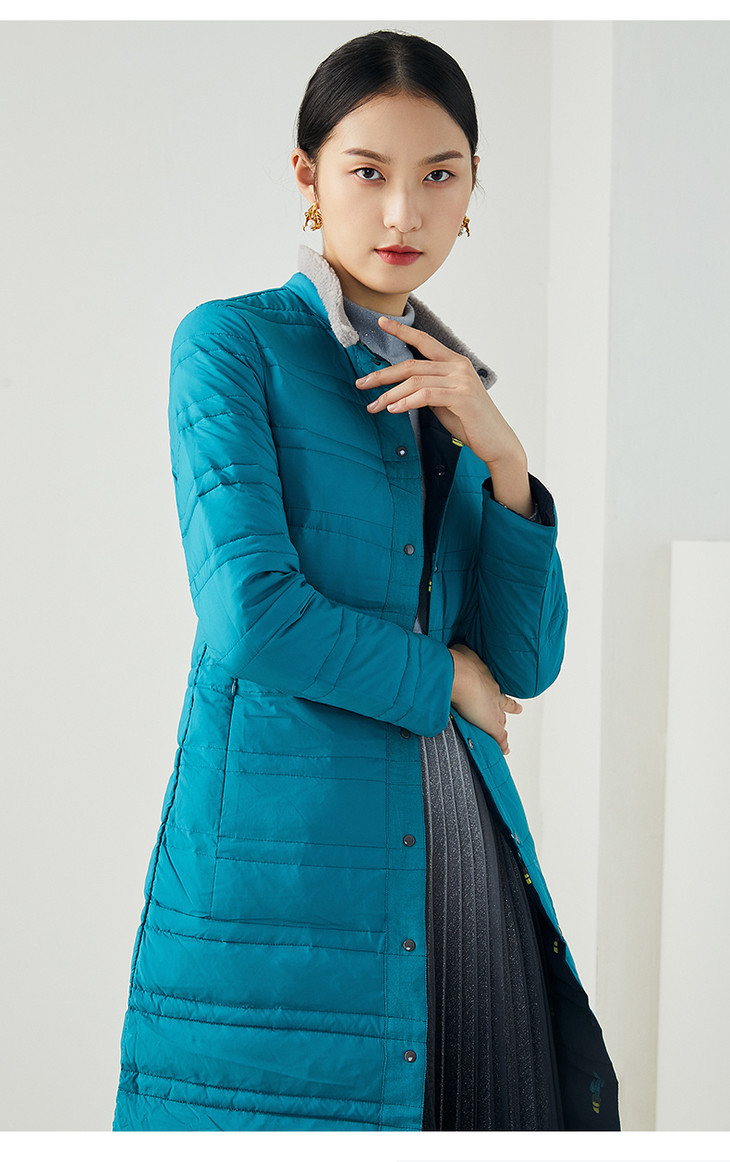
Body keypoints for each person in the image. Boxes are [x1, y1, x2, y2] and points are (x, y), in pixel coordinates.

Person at [112, 29, 619, 1132]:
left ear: (473, 190)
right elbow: (254, 617)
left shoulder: (452, 388)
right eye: (367, 171)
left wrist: (505, 460)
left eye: (439, 176)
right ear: (307, 176)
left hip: (458, 849)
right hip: (289, 868)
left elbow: (523, 661)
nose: (403, 213)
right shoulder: (232, 346)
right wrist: (445, 679)